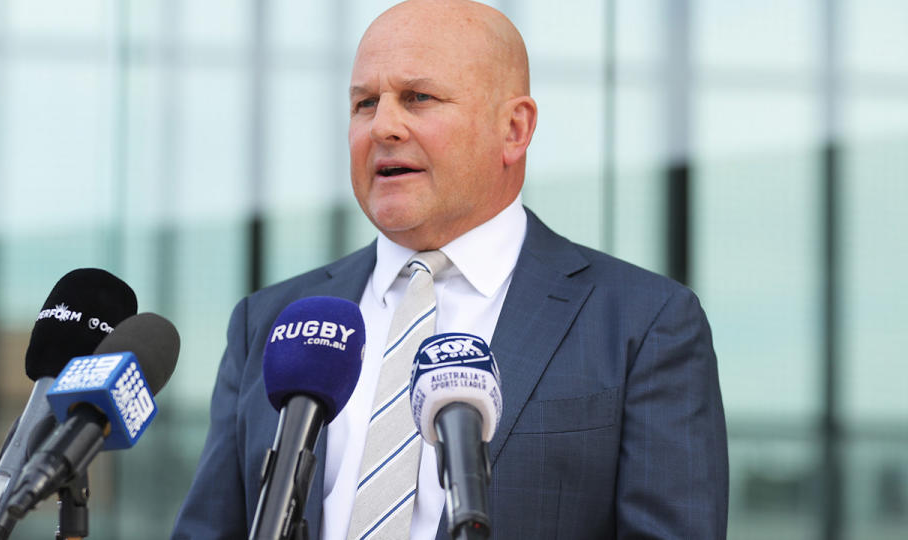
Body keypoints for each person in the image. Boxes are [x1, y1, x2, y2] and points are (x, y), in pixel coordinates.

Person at [172, 0, 728, 538]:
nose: (382, 127)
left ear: (514, 129)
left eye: (418, 97)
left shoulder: (642, 323)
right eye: (365, 103)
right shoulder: (269, 320)